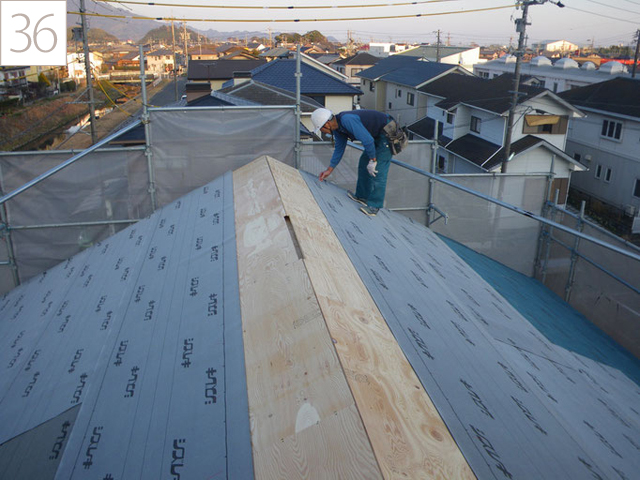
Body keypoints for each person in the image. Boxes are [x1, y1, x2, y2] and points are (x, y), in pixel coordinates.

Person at [312, 107, 394, 217]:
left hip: (387, 132)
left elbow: (368, 140)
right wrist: (329, 170)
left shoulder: (346, 120)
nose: (323, 132)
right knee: (363, 162)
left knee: (378, 170)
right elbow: (339, 149)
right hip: (376, 135)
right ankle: (362, 196)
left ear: (326, 124)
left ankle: (375, 206)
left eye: (321, 130)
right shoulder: (338, 129)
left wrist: (373, 161)